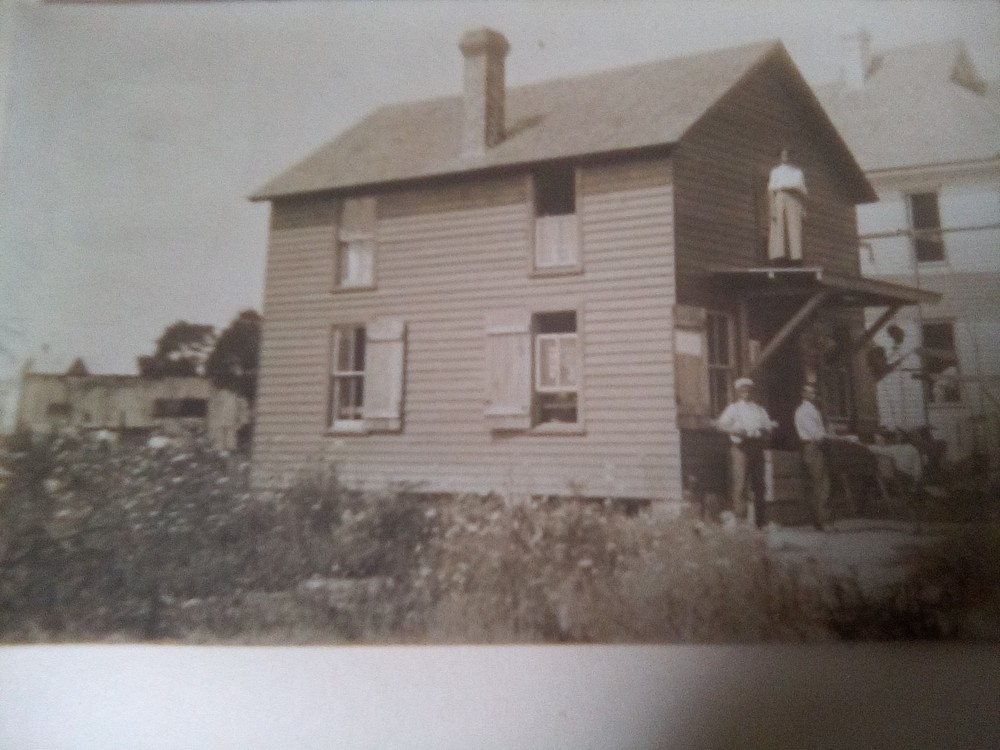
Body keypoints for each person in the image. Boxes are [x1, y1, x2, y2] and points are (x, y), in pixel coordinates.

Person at [714, 377, 778, 528]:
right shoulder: (734, 408)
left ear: (752, 391)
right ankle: (740, 518)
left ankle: (760, 521)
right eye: (742, 390)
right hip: (741, 448)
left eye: (748, 390)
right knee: (740, 482)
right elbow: (720, 425)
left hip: (756, 447)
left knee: (759, 484)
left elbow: (767, 426)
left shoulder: (759, 409)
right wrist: (734, 430)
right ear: (738, 392)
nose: (746, 393)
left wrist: (769, 427)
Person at [794, 383, 832, 531]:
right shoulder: (805, 411)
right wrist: (830, 438)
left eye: (815, 393)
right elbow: (817, 434)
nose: (814, 395)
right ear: (803, 394)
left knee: (817, 482)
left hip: (813, 446)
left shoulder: (813, 410)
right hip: (813, 446)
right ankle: (824, 520)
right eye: (810, 393)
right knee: (821, 483)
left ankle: (819, 520)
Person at [767, 147, 807, 264]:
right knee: (779, 224)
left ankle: (796, 257)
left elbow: (803, 191)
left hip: (794, 197)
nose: (785, 157)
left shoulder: (797, 172)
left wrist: (803, 208)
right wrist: (772, 207)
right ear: (780, 157)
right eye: (783, 155)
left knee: (794, 226)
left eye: (788, 154)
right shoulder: (775, 171)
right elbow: (771, 190)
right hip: (780, 195)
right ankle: (778, 256)